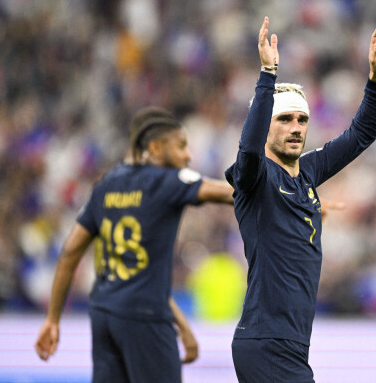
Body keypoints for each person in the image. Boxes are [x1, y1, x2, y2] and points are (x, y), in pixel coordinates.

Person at [224, 17, 376, 382]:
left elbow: (361, 134)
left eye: (302, 120)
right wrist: (267, 75)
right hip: (267, 341)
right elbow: (249, 150)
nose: (296, 128)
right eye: (285, 119)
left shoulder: (306, 173)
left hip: (289, 342)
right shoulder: (254, 178)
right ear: (266, 124)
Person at [35, 107, 234, 383]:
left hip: (105, 316)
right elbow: (229, 194)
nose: (188, 155)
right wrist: (293, 199)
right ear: (154, 148)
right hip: (146, 318)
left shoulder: (106, 185)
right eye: (180, 146)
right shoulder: (168, 181)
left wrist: (52, 319)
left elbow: (69, 252)